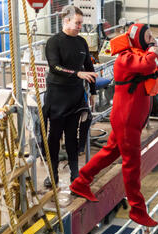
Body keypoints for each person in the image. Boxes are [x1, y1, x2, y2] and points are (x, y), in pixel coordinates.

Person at [70, 24, 158, 227]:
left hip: (131, 120)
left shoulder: (143, 54)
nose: (152, 39)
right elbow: (147, 66)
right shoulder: (126, 58)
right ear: (138, 39)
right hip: (126, 120)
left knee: (109, 152)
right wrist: (154, 52)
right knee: (132, 164)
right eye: (148, 36)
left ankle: (81, 181)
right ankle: (137, 209)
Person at [43, 5, 98, 188]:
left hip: (75, 96)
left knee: (72, 137)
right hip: (57, 95)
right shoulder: (54, 42)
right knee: (54, 136)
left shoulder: (82, 42)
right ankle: (53, 174)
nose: (80, 26)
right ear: (66, 20)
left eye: (81, 23)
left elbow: (89, 69)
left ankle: (75, 175)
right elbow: (54, 67)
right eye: (77, 23)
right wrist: (77, 74)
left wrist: (93, 92)